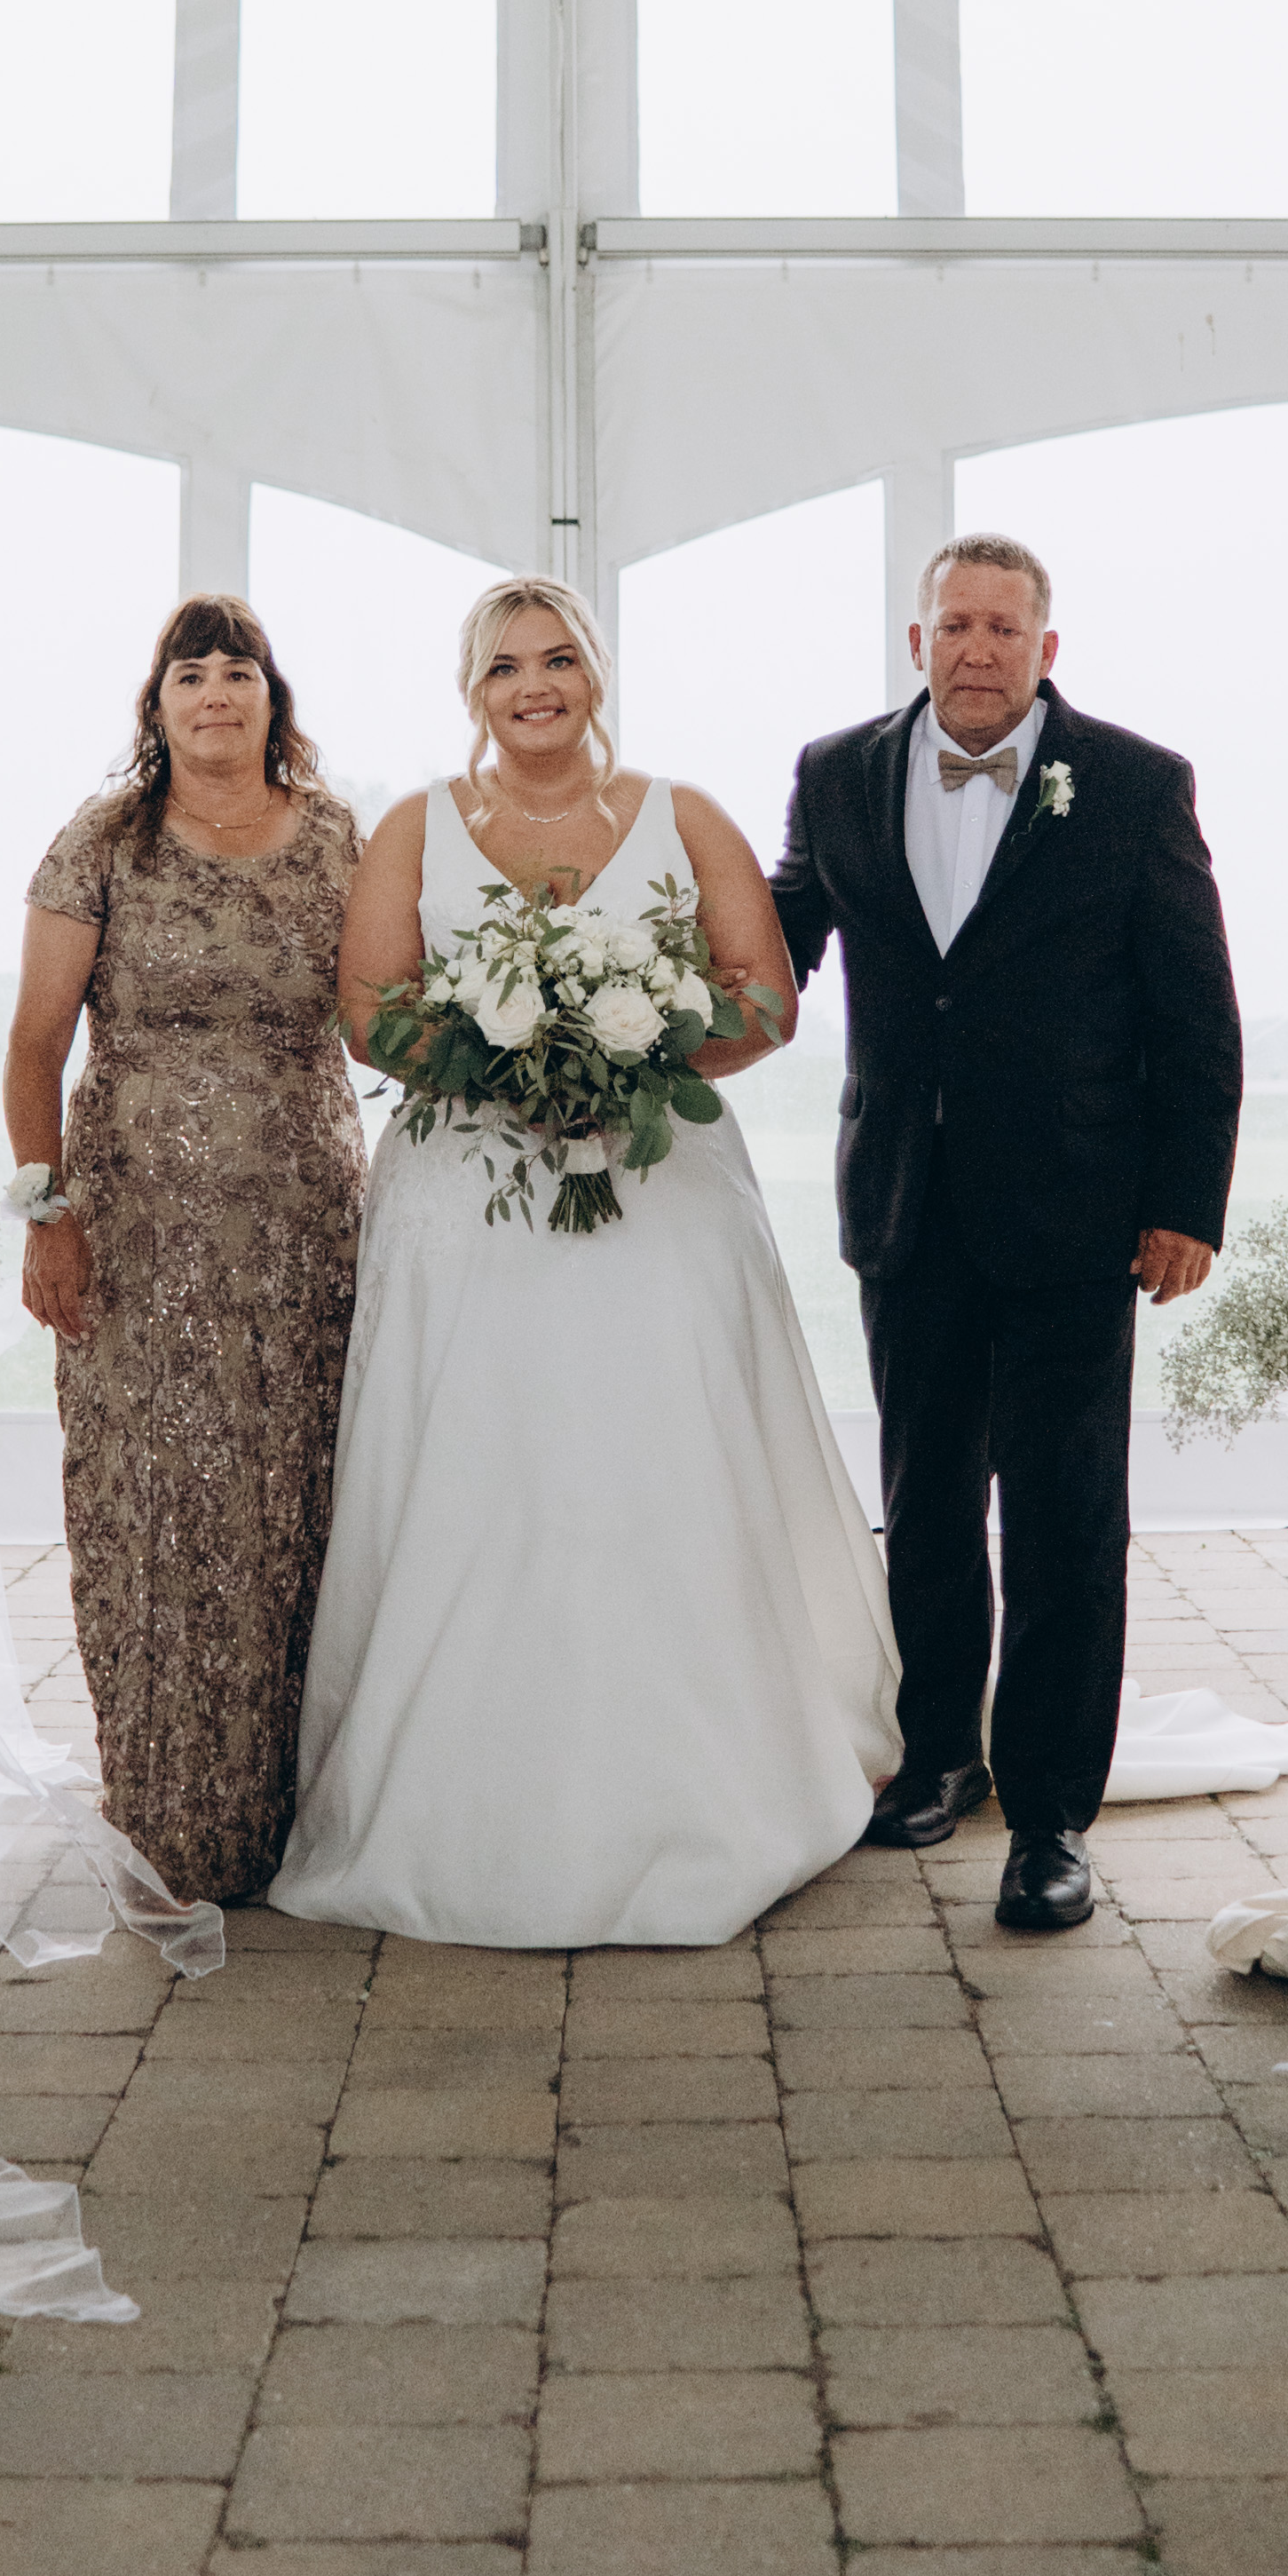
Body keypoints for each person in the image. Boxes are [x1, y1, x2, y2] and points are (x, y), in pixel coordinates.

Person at [276, 576, 894, 1946]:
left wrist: (629, 1057)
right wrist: (510, 1067)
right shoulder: (413, 826)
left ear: (596, 673)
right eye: (505, 667)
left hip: (659, 1191)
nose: (534, 687)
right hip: (469, 1198)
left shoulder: (686, 816)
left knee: (655, 1451)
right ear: (472, 690)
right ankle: (458, 1785)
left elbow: (765, 1000)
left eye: (558, 659)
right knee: (479, 1457)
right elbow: (370, 1013)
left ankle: (709, 1775)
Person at [770, 534, 1241, 1937]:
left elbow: (1195, 1009)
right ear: (917, 641)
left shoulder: (1138, 783)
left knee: (1063, 1520)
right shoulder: (835, 773)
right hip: (905, 1203)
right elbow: (777, 943)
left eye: (1005, 628)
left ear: (1048, 647)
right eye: (956, 625)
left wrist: (1185, 1204)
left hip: (1075, 1208)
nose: (978, 649)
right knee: (922, 1502)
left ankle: (1049, 1819)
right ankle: (938, 1759)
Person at [14, 598, 365, 1909]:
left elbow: (383, 1017)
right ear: (156, 706)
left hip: (305, 1233)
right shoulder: (104, 840)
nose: (216, 692)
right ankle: (168, 1816)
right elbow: (34, 1043)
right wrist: (46, 1214)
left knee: (294, 1502)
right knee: (154, 1505)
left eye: (238, 672)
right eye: (190, 674)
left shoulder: (339, 838)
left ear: (275, 699)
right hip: (136, 1236)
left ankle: (299, 1812)